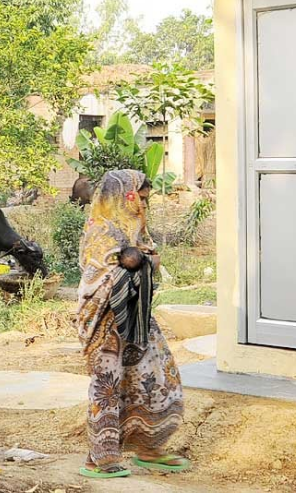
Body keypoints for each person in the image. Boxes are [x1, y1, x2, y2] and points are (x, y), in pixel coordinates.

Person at [76, 170, 189, 478]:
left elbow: (151, 259)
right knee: (108, 386)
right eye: (139, 199)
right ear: (120, 196)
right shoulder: (101, 229)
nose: (143, 206)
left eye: (145, 200)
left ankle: (149, 447)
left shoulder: (134, 228)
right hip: (107, 320)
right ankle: (97, 458)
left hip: (137, 316)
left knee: (156, 375)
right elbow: (98, 275)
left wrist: (141, 258)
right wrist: (136, 261)